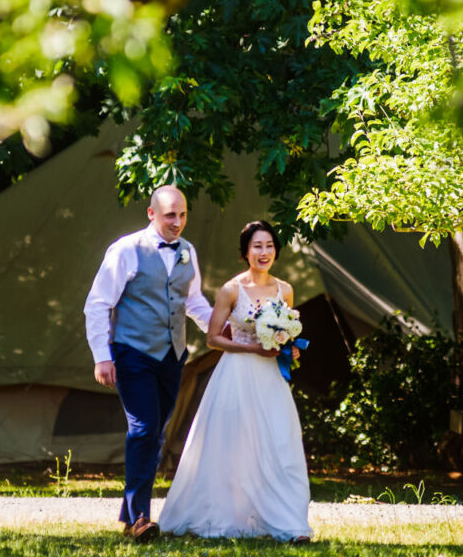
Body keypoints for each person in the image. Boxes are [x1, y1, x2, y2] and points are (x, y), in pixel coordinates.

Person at [158, 220, 312, 542]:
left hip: (270, 378)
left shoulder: (285, 289)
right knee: (232, 444)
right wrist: (252, 346)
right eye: (257, 246)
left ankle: (288, 523)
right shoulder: (231, 290)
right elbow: (214, 338)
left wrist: (288, 348)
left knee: (280, 443)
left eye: (269, 246)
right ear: (245, 252)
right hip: (237, 375)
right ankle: (227, 515)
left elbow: (284, 333)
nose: (264, 252)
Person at [83, 185, 213, 542]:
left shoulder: (188, 252)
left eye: (183, 214)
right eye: (170, 214)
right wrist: (102, 356)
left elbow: (195, 302)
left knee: (155, 433)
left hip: (172, 356)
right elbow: (97, 304)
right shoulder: (126, 249)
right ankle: (140, 517)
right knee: (142, 429)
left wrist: (230, 329)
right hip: (132, 353)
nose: (178, 222)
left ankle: (129, 514)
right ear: (151, 213)